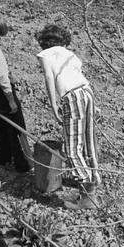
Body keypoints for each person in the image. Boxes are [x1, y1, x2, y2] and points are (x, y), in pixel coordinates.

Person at [35, 24, 101, 210]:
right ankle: (93, 180)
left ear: (44, 42)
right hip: (86, 92)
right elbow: (79, 76)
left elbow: (49, 77)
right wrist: (93, 105)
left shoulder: (46, 54)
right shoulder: (70, 54)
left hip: (71, 97)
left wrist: (54, 104)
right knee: (88, 141)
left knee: (72, 147)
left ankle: (88, 197)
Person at [0, 13, 32, 174]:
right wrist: (11, 100)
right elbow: (2, 78)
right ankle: (23, 164)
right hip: (0, 92)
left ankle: (3, 158)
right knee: (17, 128)